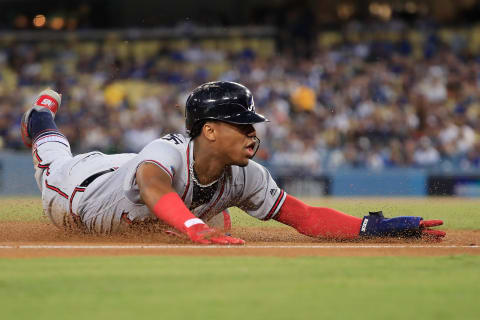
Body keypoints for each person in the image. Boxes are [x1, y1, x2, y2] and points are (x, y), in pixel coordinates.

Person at [21, 82, 445, 244]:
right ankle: (41, 111)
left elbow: (307, 217)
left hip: (128, 174)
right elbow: (153, 187)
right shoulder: (166, 152)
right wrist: (195, 226)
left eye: (252, 125)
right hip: (80, 190)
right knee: (51, 151)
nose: (252, 133)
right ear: (208, 130)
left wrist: (380, 227)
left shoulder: (248, 176)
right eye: (242, 125)